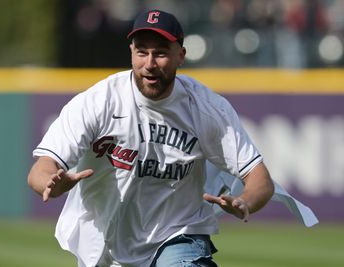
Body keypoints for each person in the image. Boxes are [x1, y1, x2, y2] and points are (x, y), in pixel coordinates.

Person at [27, 9, 274, 267]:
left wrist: (245, 201)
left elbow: (259, 178)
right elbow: (41, 169)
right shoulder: (99, 102)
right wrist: (50, 184)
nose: (150, 63)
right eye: (142, 51)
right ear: (131, 52)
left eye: (161, 52)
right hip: (105, 242)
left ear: (181, 55)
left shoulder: (206, 107)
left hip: (179, 234)